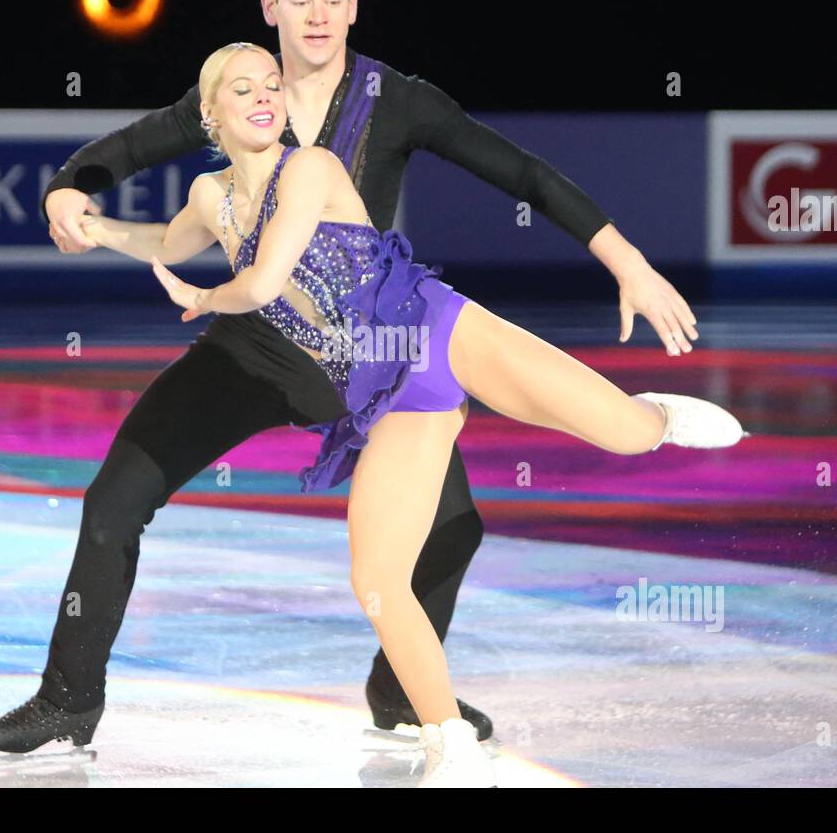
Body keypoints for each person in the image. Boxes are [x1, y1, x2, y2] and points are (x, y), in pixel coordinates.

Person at [0, 0, 701, 760]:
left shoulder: (398, 100)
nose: (317, 17)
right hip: (248, 354)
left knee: (452, 529)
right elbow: (131, 150)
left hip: (373, 363)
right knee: (113, 501)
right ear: (269, 8)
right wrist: (73, 190)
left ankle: (400, 689)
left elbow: (522, 175)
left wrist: (629, 263)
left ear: (353, 6)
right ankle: (69, 699)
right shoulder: (237, 88)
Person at [82, 42, 743, 786]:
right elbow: (167, 242)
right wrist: (98, 228)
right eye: (244, 89)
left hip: (437, 332)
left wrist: (204, 297)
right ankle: (447, 742)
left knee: (624, 435)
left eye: (272, 83)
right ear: (211, 114)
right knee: (376, 578)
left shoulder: (310, 168)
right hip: (385, 392)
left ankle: (655, 415)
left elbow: (265, 280)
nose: (266, 96)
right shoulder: (212, 199)